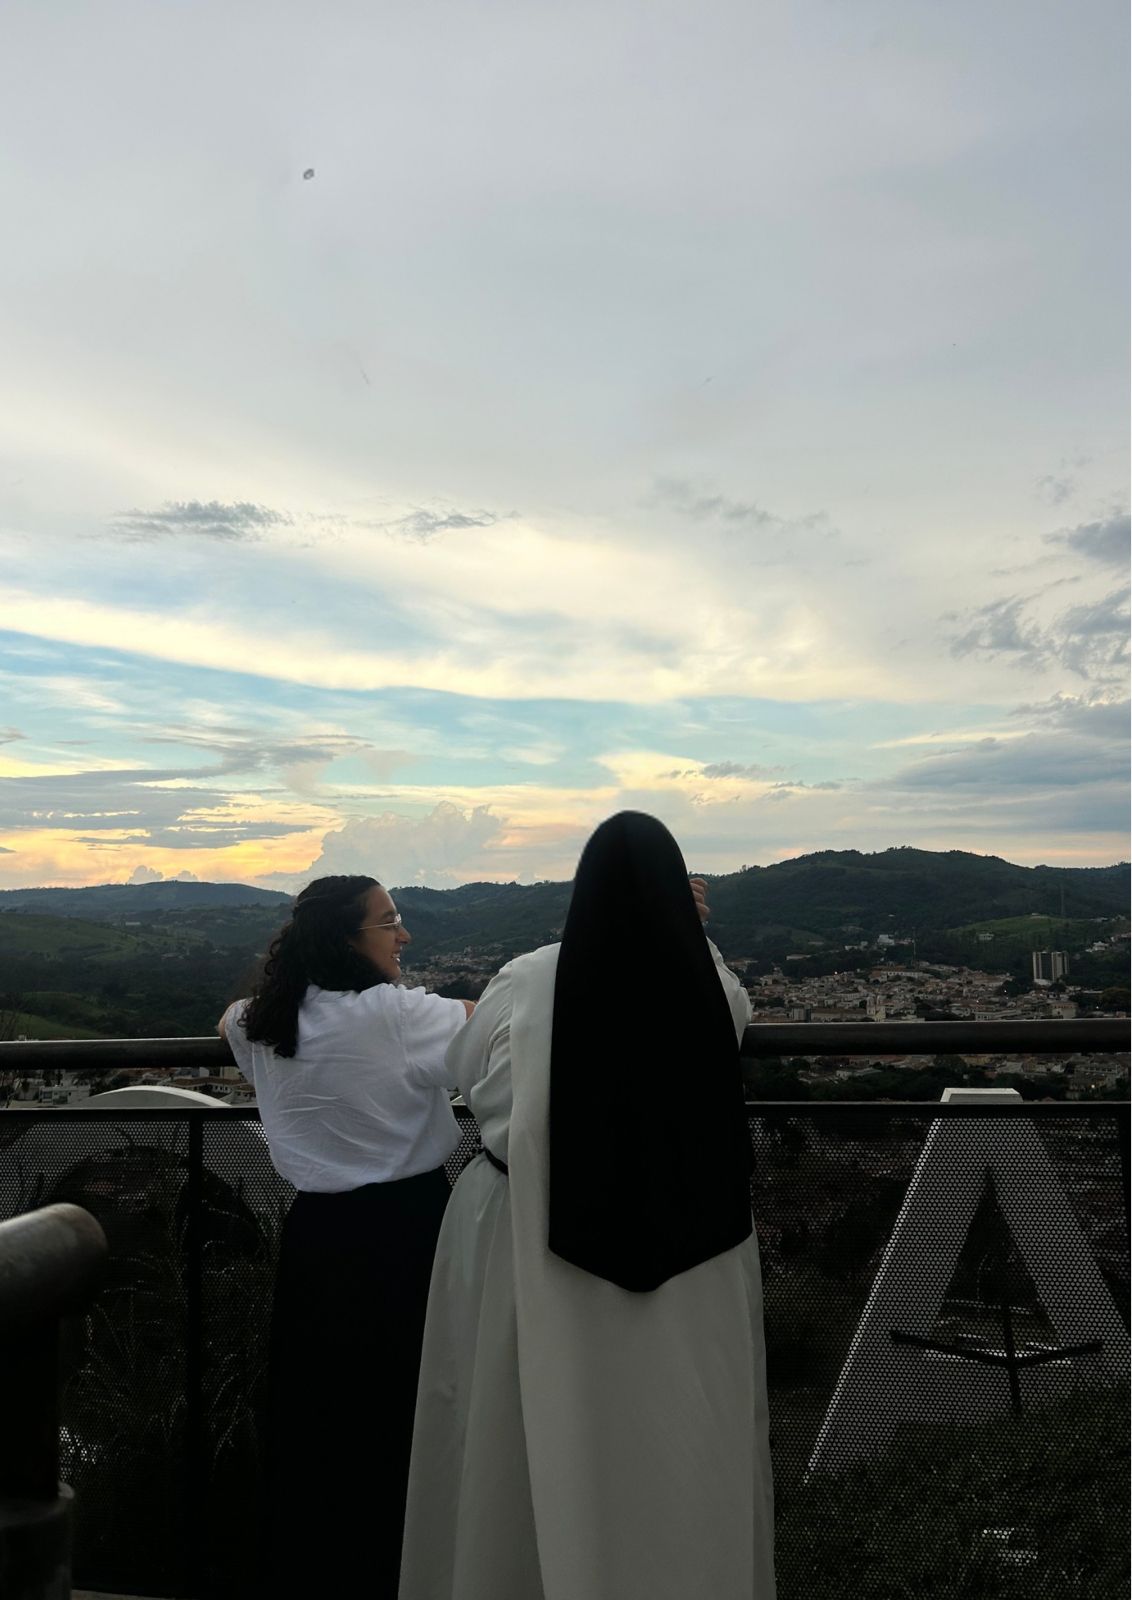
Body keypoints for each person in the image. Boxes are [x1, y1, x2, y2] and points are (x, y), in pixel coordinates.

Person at [398, 812, 775, 1600]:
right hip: (700, 1258)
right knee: (682, 1460)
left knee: (515, 1444)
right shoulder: (712, 985)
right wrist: (696, 934)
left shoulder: (525, 980)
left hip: (525, 1231)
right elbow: (732, 1021)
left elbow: (467, 1068)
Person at [218, 874, 474, 1600]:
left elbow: (227, 1021)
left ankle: (321, 1571)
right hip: (409, 1230)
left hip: (317, 1236)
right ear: (347, 940)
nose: (404, 935)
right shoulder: (398, 1015)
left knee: (322, 1416)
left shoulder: (258, 1020)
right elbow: (500, 1022)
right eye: (389, 922)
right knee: (413, 1410)